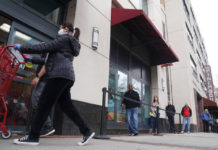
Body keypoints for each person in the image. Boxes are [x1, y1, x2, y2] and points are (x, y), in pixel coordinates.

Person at [13, 23, 95, 146]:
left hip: (58, 76)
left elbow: (44, 47)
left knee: (43, 105)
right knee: (67, 106)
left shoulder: (64, 38)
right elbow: (47, 60)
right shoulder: (68, 42)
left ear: (66, 29)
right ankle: (86, 131)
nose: (59, 29)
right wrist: (31, 59)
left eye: (61, 27)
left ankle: (33, 137)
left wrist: (22, 48)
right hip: (66, 76)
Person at [29, 54, 55, 137]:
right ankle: (43, 127)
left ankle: (48, 126)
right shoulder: (44, 56)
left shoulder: (48, 53)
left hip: (43, 82)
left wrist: (37, 77)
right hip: (44, 82)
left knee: (37, 103)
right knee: (37, 103)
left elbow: (46, 65)